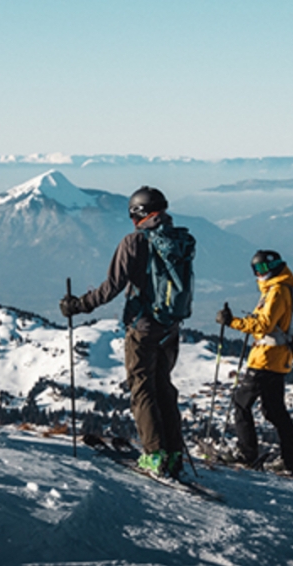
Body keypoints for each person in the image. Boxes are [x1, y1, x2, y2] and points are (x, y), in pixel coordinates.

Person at [60, 186, 194, 478]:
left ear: (137, 213)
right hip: (170, 327)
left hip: (142, 326)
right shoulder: (179, 239)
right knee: (164, 388)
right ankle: (174, 455)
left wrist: (78, 305)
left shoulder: (134, 242)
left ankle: (154, 455)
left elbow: (111, 287)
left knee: (142, 389)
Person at [216, 250, 293, 476]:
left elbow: (264, 325)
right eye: (256, 269)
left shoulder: (277, 291)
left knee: (241, 403)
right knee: (275, 410)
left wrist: (232, 322)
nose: (259, 273)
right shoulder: (286, 288)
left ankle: (246, 454)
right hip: (278, 359)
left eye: (263, 268)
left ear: (275, 267)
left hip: (266, 359)